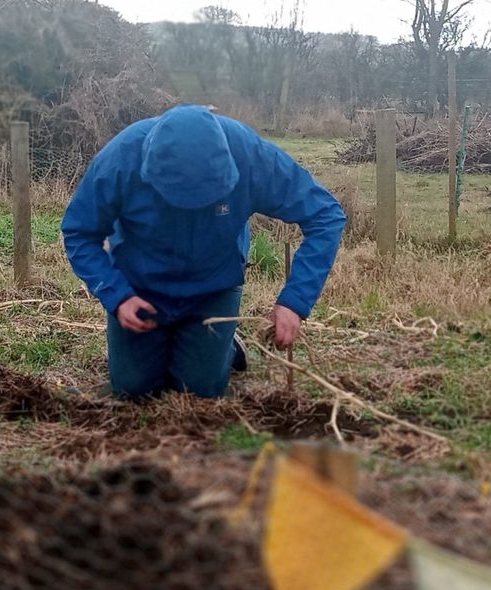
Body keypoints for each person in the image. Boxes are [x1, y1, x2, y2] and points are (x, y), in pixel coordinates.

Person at [62, 104, 346, 398]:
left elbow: (325, 215)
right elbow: (79, 231)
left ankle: (225, 343)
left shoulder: (249, 155)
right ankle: (165, 349)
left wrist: (295, 302)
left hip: (214, 284)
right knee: (132, 388)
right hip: (140, 286)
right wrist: (117, 296)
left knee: (201, 388)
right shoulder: (121, 158)